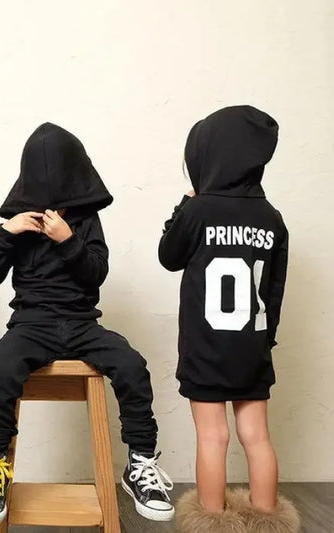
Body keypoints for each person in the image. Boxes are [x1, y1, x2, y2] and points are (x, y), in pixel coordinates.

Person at [0, 122, 174, 526]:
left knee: (131, 364)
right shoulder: (19, 222)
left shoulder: (86, 220)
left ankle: (140, 463)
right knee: (3, 367)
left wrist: (67, 239)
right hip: (31, 326)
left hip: (81, 325)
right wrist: (6, 232)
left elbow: (96, 273)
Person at [159, 106, 299, 532]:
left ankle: (212, 521)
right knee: (256, 436)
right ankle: (268, 519)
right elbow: (274, 290)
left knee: (213, 436)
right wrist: (266, 340)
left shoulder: (199, 211)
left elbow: (168, 256)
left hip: (205, 348)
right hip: (251, 346)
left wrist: (185, 203)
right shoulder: (271, 217)